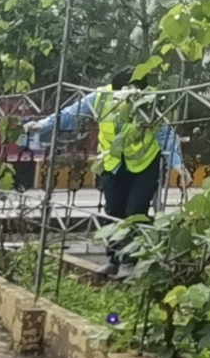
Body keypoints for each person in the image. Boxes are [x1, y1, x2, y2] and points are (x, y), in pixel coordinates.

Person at [26, 68, 188, 276]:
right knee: (114, 212)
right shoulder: (101, 97)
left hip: (145, 165)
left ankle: (129, 263)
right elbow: (71, 113)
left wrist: (177, 163)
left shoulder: (148, 101)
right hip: (112, 164)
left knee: (135, 213)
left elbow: (165, 132)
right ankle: (114, 259)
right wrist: (44, 125)